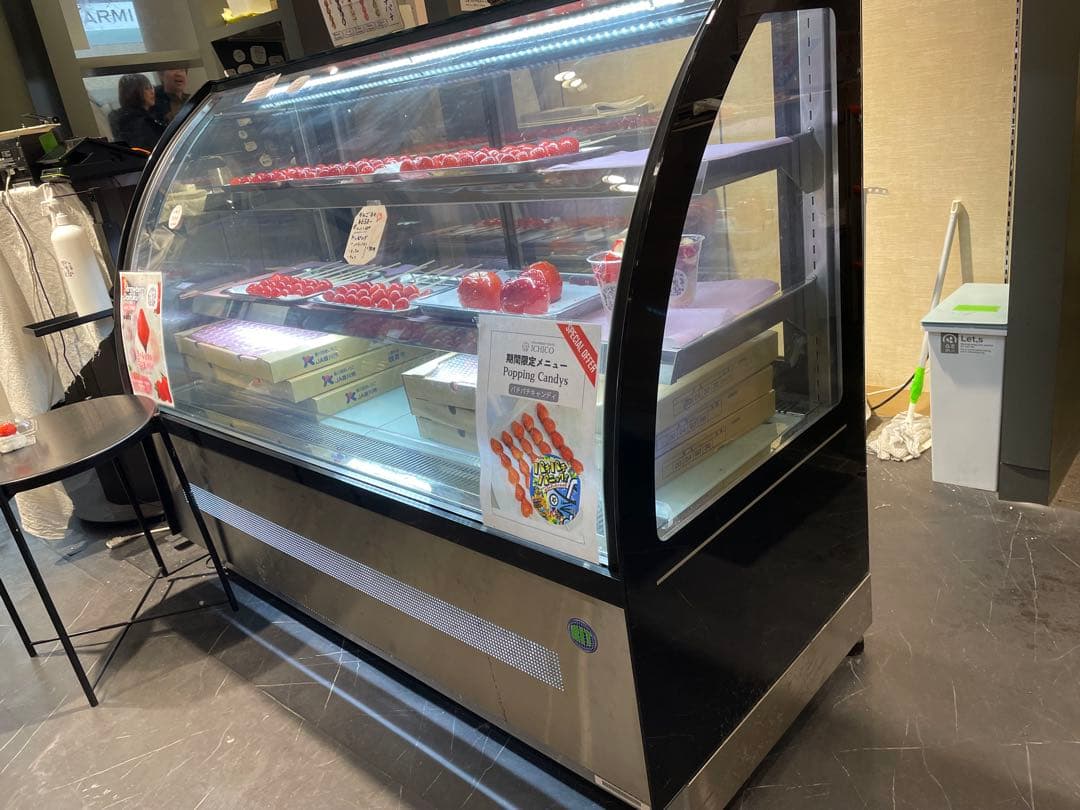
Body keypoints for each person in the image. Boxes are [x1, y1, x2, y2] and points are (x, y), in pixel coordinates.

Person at [109, 74, 165, 151]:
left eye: (151, 87)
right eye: (146, 88)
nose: (152, 92)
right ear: (134, 92)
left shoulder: (152, 115)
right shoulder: (138, 123)